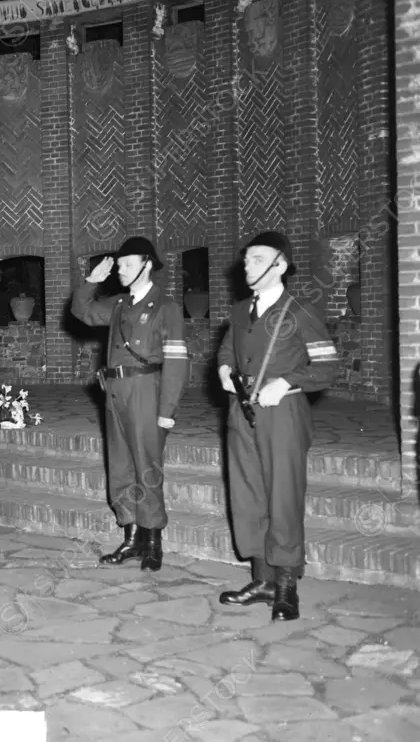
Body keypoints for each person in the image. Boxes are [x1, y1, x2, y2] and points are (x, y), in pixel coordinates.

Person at [217, 231, 338, 622]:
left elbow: (326, 366)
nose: (246, 265)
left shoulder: (300, 310)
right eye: (246, 259)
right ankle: (261, 580)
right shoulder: (238, 311)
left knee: (282, 496)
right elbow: (226, 349)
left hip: (282, 413)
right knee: (247, 494)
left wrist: (287, 382)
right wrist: (222, 368)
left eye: (256, 259)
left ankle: (286, 586)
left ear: (280, 265)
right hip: (241, 411)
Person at [71, 236, 189, 571]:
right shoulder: (119, 304)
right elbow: (84, 312)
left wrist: (167, 411)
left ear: (147, 264)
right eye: (119, 265)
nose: (120, 270)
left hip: (145, 389)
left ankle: (153, 542)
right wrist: (90, 282)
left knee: (146, 468)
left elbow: (178, 362)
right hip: (115, 391)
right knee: (120, 466)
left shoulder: (165, 308)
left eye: (127, 264)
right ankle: (131, 538)